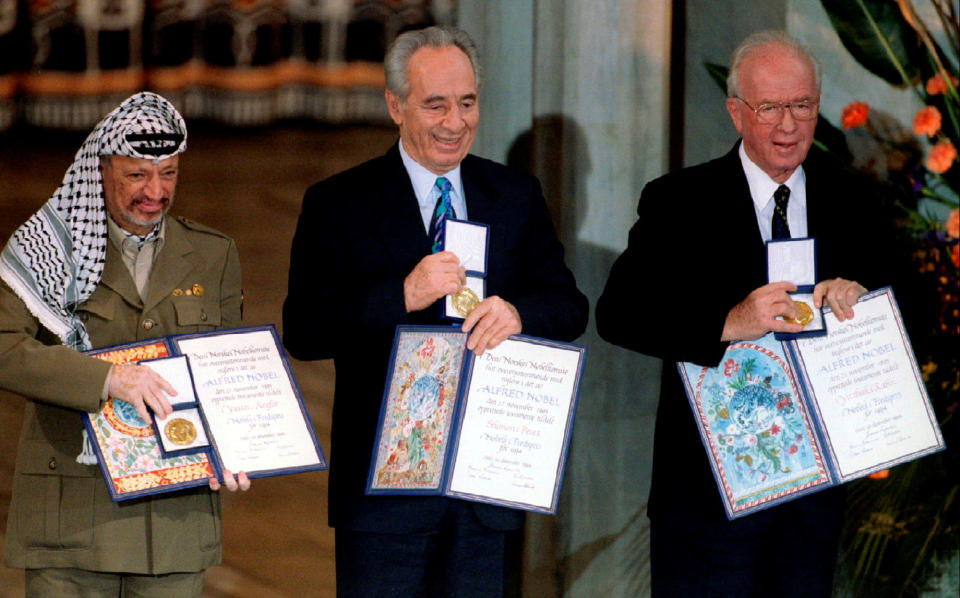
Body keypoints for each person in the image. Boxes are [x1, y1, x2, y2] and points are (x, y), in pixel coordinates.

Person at [283, 25, 588, 597]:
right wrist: (400, 295)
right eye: (436, 105)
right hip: (383, 501)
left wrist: (519, 314)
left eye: (467, 103)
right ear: (395, 107)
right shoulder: (339, 201)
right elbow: (305, 328)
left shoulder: (514, 194)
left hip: (487, 493)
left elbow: (569, 305)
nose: (455, 122)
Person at [596, 31, 896, 596]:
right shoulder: (679, 200)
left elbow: (907, 314)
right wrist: (728, 321)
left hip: (813, 504)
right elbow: (619, 313)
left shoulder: (856, 200)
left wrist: (864, 301)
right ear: (736, 112)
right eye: (770, 108)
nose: (788, 126)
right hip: (704, 508)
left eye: (802, 106)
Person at [0, 91, 249, 597]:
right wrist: (109, 378)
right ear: (101, 169)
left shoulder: (213, 255)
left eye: (169, 174)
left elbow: (225, 373)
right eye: (137, 175)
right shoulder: (46, 251)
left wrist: (240, 446)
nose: (155, 191)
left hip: (173, 531)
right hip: (71, 526)